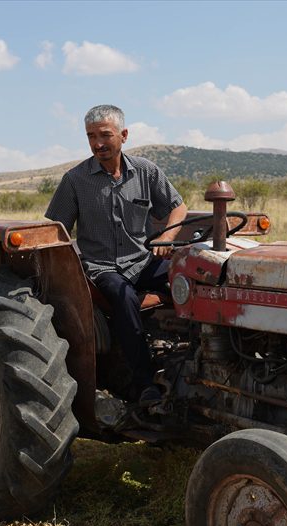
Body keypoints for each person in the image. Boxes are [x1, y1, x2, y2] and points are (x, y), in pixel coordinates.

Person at [45, 104, 188, 407]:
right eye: (91, 136)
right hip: (101, 268)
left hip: (142, 260)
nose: (98, 143)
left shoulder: (146, 171)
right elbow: (55, 229)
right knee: (123, 297)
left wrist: (166, 237)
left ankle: (191, 363)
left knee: (190, 279)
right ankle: (144, 384)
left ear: (123, 135)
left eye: (105, 135)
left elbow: (179, 207)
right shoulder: (75, 180)